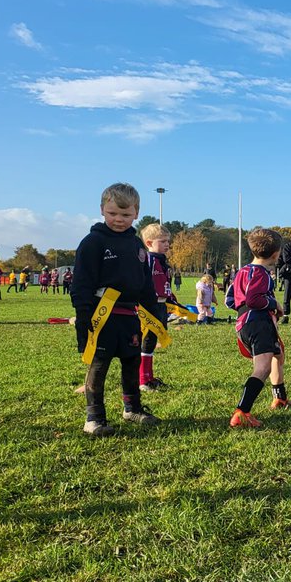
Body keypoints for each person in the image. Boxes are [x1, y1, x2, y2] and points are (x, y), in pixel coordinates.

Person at [70, 182, 163, 437]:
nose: (119, 219)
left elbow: (144, 284)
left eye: (125, 214)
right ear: (102, 209)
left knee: (132, 361)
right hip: (102, 316)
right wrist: (83, 317)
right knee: (99, 364)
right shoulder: (93, 242)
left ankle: (132, 408)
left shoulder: (137, 245)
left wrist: (154, 311)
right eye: (112, 213)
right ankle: (94, 418)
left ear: (136, 213)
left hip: (130, 315)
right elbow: (81, 283)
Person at [226, 228, 291, 429]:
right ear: (276, 254)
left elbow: (229, 299)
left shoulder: (242, 271)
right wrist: (274, 304)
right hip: (258, 323)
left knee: (277, 355)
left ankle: (280, 398)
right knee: (262, 368)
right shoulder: (262, 274)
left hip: (245, 323)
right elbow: (254, 299)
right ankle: (242, 412)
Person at [138, 223, 172, 392]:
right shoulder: (148, 260)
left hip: (161, 304)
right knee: (147, 340)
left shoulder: (162, 261)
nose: (167, 245)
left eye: (168, 241)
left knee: (152, 341)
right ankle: (143, 380)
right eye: (163, 241)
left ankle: (149, 377)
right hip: (149, 306)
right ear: (149, 243)